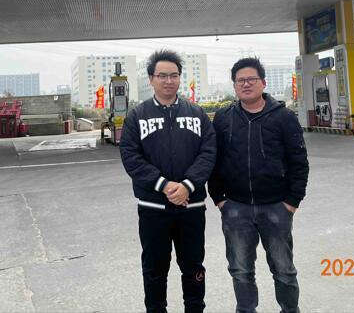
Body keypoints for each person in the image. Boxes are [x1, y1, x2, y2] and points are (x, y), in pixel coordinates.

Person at [209, 57, 309, 313]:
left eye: (251, 79)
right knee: (241, 270)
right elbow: (213, 159)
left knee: (284, 270)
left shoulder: (284, 117)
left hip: (276, 207)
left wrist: (292, 202)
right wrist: (219, 198)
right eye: (240, 80)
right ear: (234, 85)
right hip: (235, 208)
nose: (246, 84)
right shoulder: (223, 118)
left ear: (263, 83)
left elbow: (299, 161)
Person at [120, 49, 216, 313]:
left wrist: (187, 185)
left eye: (174, 75)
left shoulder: (197, 114)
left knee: (194, 268)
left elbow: (209, 153)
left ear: (180, 78)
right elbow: (131, 157)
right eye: (162, 75)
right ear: (151, 79)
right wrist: (163, 185)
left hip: (191, 208)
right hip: (153, 209)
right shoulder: (137, 116)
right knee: (154, 269)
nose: (168, 81)